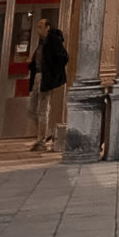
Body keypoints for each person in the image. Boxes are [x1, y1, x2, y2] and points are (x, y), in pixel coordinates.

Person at [27, 16, 68, 151]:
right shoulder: (42, 42)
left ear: (47, 27)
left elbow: (63, 57)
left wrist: (51, 73)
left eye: (40, 26)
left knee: (43, 109)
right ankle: (46, 133)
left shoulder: (53, 41)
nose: (38, 29)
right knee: (32, 109)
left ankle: (41, 140)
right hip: (38, 76)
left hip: (45, 78)